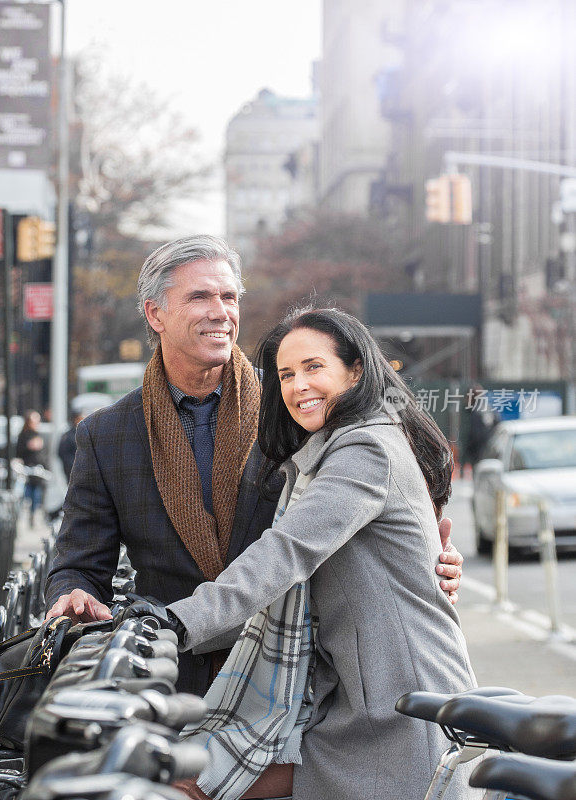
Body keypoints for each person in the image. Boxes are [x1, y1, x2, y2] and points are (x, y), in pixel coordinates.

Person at [45, 235, 464, 698]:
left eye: (229, 296)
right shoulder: (107, 435)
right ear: (154, 314)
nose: (220, 311)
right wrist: (73, 593)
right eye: (200, 296)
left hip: (297, 673)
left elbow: (356, 515)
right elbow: (80, 563)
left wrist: (428, 561)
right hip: (173, 673)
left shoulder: (295, 402)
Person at [138, 308, 476, 800]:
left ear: (355, 370)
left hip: (403, 708)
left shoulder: (366, 449)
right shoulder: (328, 451)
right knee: (193, 781)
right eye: (286, 374)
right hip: (348, 704)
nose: (299, 386)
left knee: (193, 783)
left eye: (314, 367)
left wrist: (177, 621)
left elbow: (286, 553)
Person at [15, 410, 47, 525]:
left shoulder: (39, 435)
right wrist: (29, 446)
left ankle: (33, 516)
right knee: (25, 496)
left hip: (38, 472)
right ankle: (23, 517)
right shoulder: (23, 436)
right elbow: (18, 453)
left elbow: (43, 454)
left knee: (37, 496)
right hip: (26, 471)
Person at [58, 410, 85, 482]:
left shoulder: (85, 434)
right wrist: (75, 465)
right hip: (73, 470)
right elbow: (62, 453)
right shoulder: (68, 436)